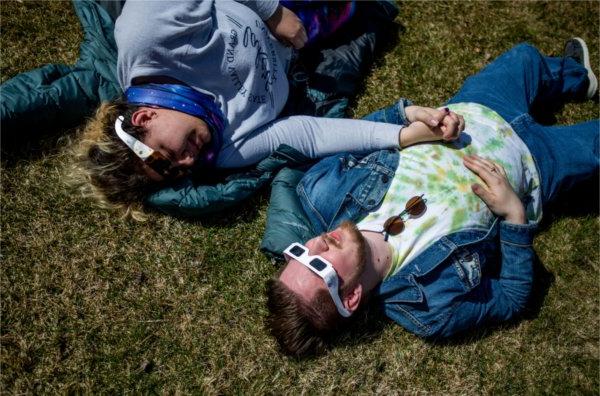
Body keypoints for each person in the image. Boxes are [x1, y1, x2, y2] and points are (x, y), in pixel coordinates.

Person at [265, 38, 599, 357]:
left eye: (299, 252)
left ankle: (579, 78)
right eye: (319, 265)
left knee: (526, 58)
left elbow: (355, 135)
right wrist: (513, 215)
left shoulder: (323, 191)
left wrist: (406, 119)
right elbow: (512, 298)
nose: (316, 244)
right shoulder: (429, 308)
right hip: (535, 163)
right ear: (350, 297)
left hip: (478, 109)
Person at [71, 0, 457, 219]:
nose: (186, 163)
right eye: (174, 173)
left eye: (167, 157)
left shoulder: (148, 34)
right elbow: (305, 134)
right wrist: (402, 134)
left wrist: (271, 12)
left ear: (143, 118)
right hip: (310, 31)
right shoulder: (221, 150)